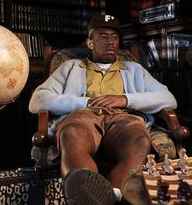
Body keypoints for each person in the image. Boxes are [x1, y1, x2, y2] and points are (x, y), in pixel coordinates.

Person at [29, 14, 177, 205]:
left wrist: (124, 99)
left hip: (123, 118)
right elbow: (38, 100)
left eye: (114, 37)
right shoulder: (70, 67)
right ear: (90, 43)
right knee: (72, 134)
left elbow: (168, 99)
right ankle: (88, 194)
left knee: (139, 141)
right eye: (103, 37)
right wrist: (85, 103)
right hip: (82, 117)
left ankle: (110, 196)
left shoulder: (134, 69)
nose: (110, 42)